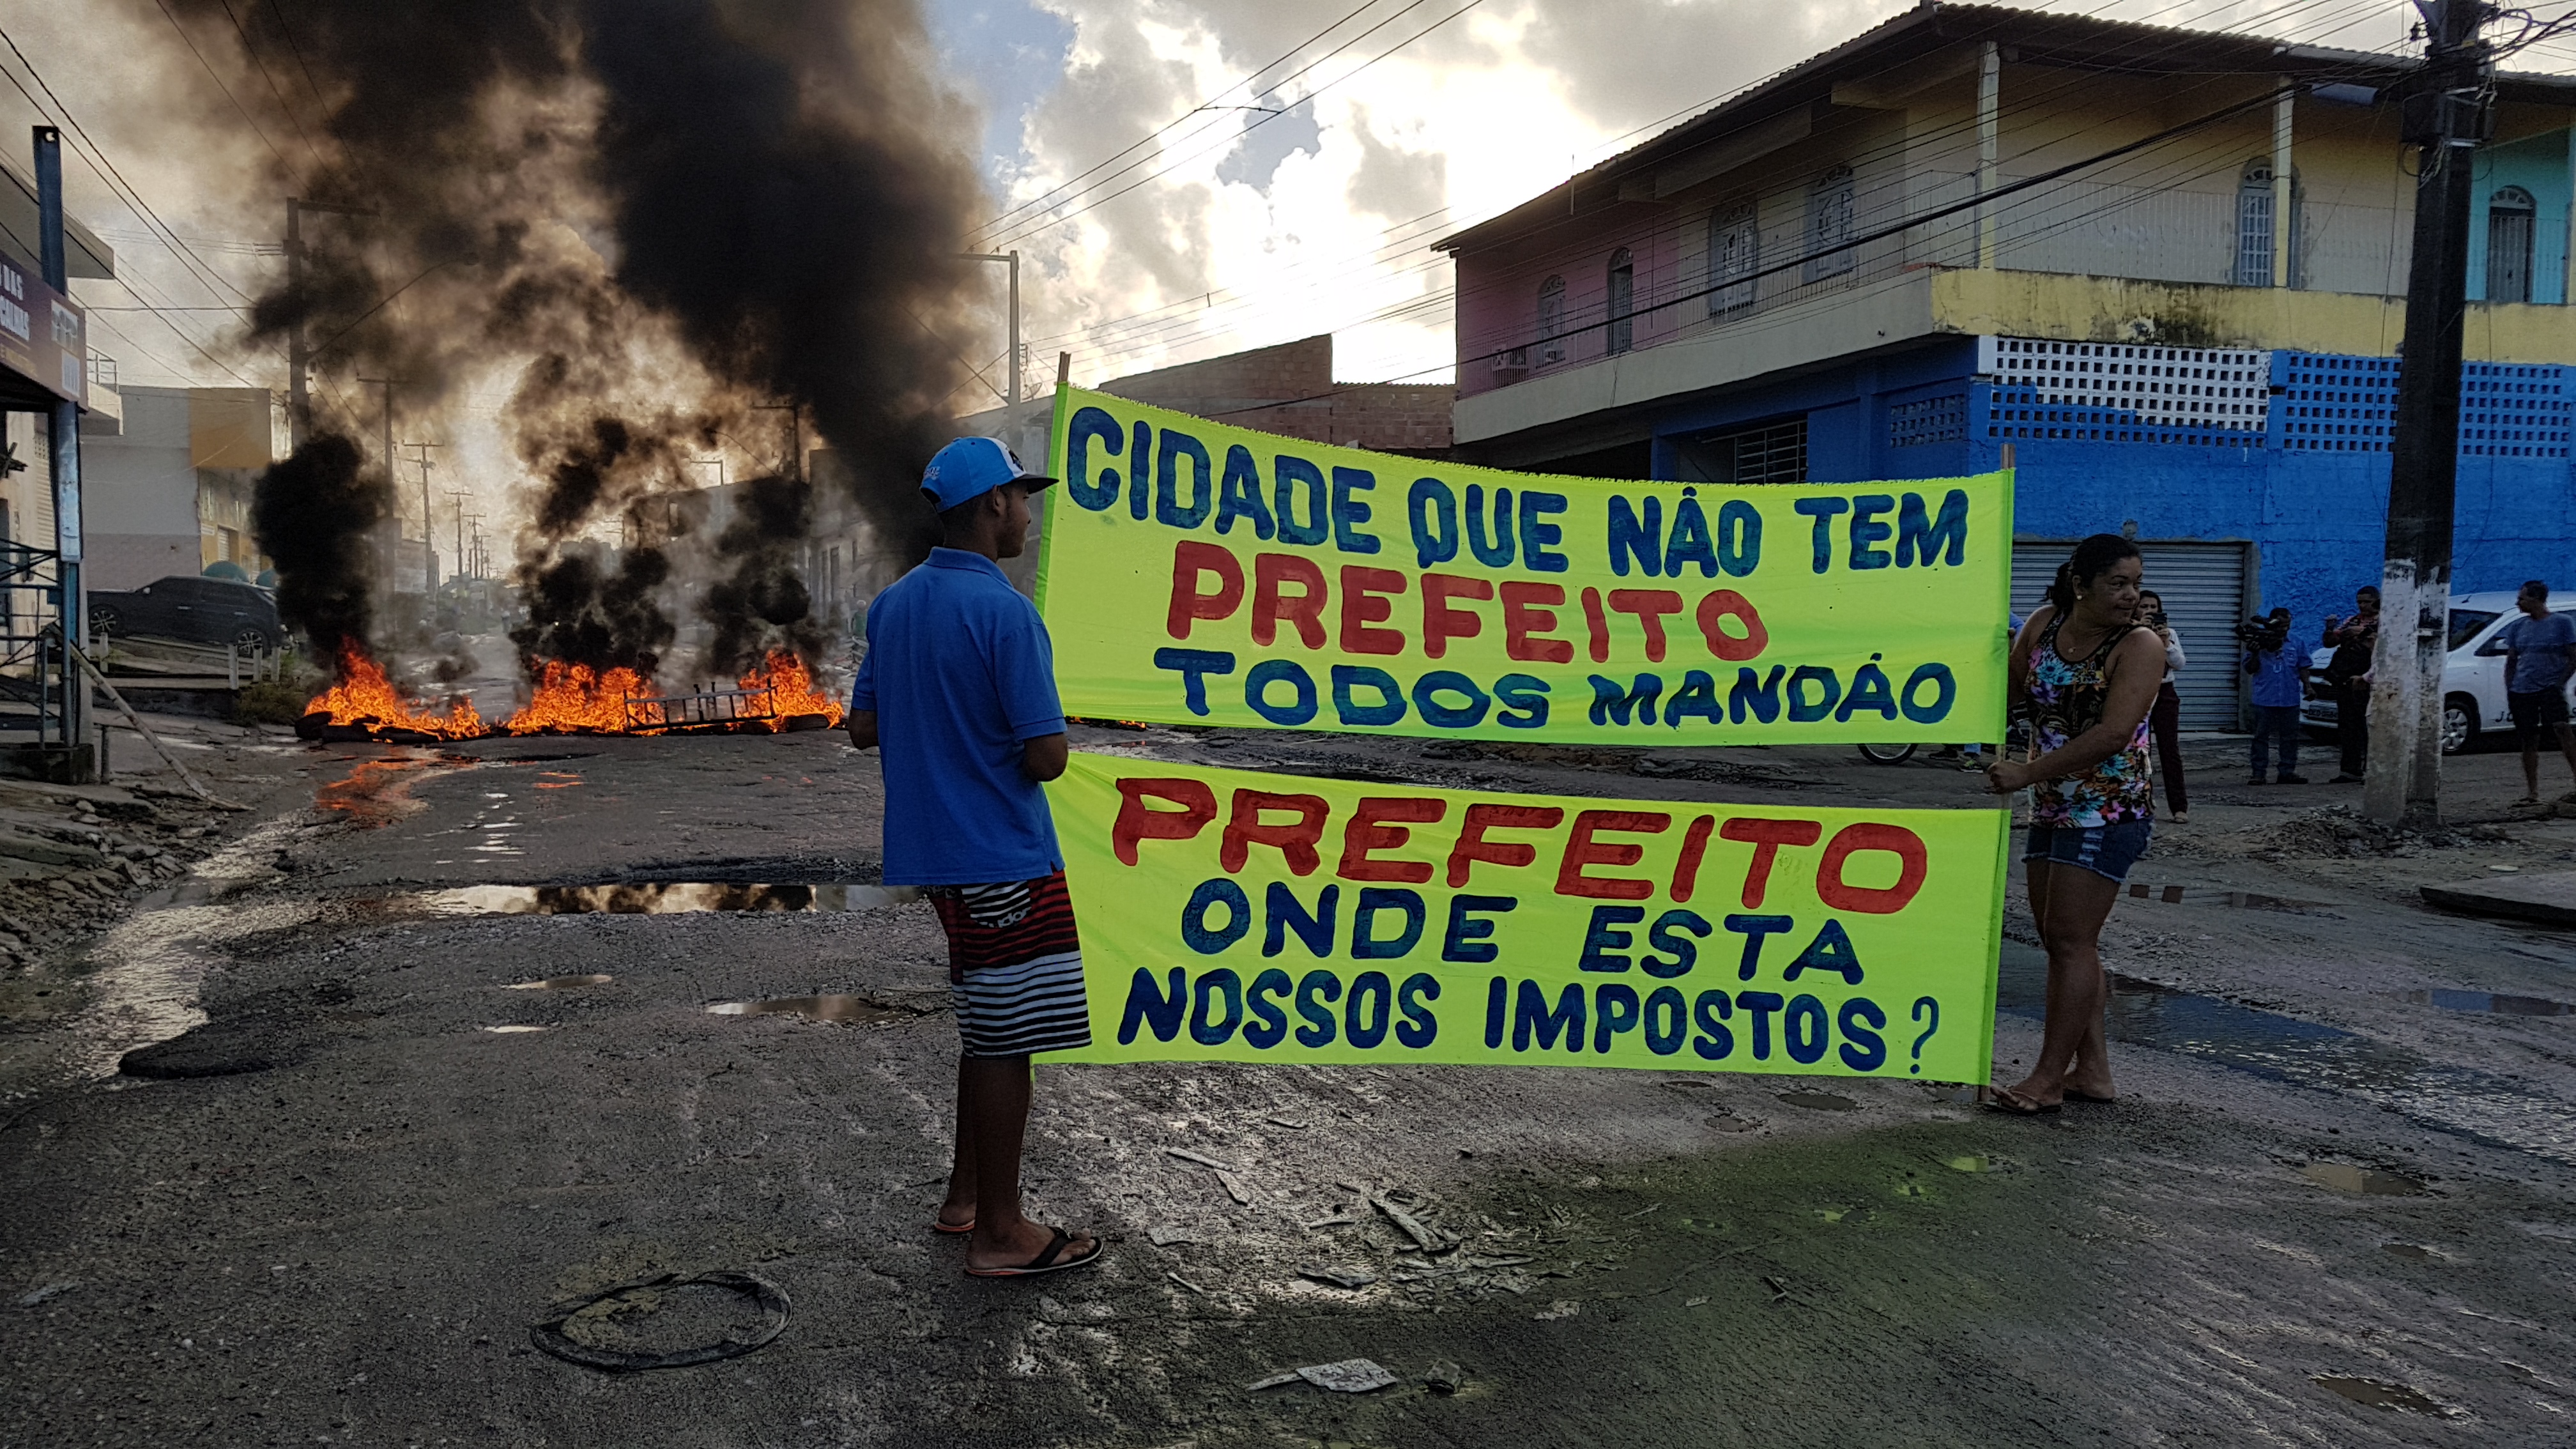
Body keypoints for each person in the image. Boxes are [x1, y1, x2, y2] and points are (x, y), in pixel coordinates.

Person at [846, 436, 1102, 1279]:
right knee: (1006, 1043)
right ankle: (1000, 1233)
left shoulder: (892, 607)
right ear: (994, 503)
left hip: (941, 864)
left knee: (988, 1027)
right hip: (1004, 857)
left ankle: (965, 1199)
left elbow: (864, 728)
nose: (1028, 515)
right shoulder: (1006, 614)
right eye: (1022, 499)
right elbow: (1048, 757)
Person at [1984, 533, 2163, 1116]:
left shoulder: (2140, 645)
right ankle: (2093, 1073)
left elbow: (2113, 734)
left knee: (2070, 940)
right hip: (2052, 805)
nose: (2131, 595)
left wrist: (2027, 773)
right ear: (2080, 584)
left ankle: (2046, 1080)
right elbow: (2009, 693)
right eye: (2118, 583)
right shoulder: (2043, 625)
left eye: (2136, 583)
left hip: (2108, 809)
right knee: (2060, 941)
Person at [2497, 579, 2576, 807]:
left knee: (2562, 729)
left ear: (2537, 599)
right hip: (2522, 690)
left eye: (2522, 599)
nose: (2518, 603)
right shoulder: (2518, 627)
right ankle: (2532, 792)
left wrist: (2559, 683)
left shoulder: (2562, 623)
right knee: (2528, 739)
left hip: (2550, 687)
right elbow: (2512, 660)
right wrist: (2510, 687)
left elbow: (2573, 657)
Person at [2138, 590, 2188, 823]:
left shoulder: (2170, 634)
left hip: (2165, 692)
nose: (2149, 611)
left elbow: (2179, 664)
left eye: (2153, 607)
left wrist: (2166, 643)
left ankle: (2179, 807)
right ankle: (2141, 804)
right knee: (2140, 751)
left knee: (2170, 750)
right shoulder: (2129, 632)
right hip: (2138, 693)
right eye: (2144, 607)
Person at [2320, 586, 2379, 784]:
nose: (2362, 606)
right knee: (2347, 727)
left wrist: (2365, 636)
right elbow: (2331, 642)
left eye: (2366, 602)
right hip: (2346, 681)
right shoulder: (2352, 620)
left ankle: (2371, 770)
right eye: (2359, 602)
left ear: (2376, 601)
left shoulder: (2384, 622)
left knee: (2368, 727)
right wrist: (2330, 629)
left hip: (2367, 681)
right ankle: (2350, 769)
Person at [2242, 608, 2307, 785]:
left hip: (2289, 698)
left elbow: (2303, 666)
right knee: (2261, 737)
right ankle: (2258, 773)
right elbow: (2250, 669)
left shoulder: (2297, 642)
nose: (2284, 629)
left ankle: (2287, 772)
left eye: (2287, 625)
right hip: (2265, 698)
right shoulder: (2259, 640)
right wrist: (2256, 653)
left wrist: (2308, 687)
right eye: (2280, 625)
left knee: (2290, 738)